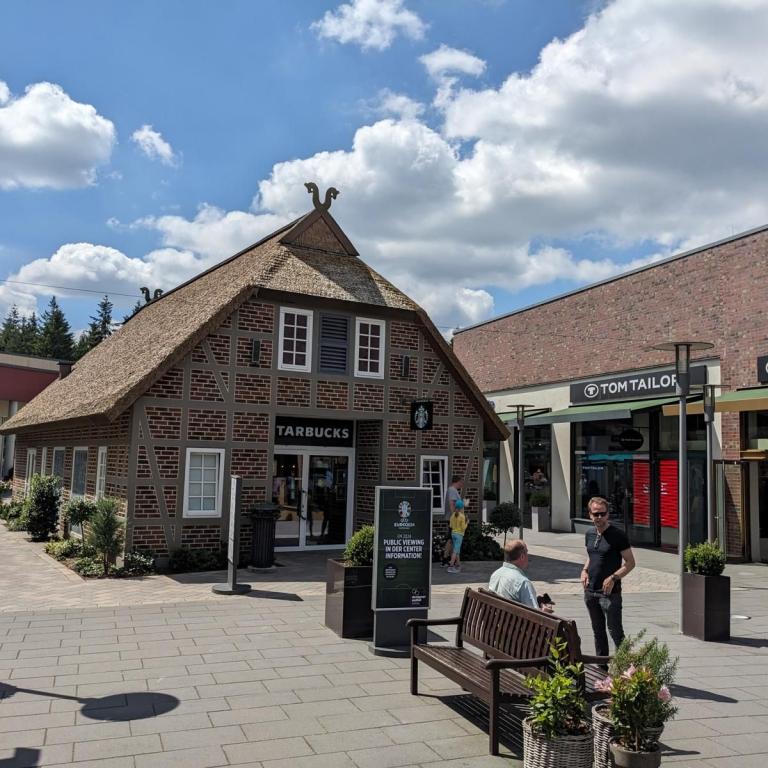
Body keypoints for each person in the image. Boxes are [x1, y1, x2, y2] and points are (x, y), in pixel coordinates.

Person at [581, 496, 635, 658]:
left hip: (610, 594)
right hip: (590, 591)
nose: (599, 517)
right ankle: (601, 666)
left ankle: (627, 667)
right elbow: (592, 556)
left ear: (607, 514)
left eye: (602, 514)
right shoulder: (589, 534)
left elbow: (630, 563)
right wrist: (584, 570)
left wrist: (613, 578)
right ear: (590, 514)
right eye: (595, 514)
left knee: (616, 632)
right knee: (598, 632)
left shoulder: (618, 535)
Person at [487, 539, 554, 612]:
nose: (528, 556)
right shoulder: (523, 582)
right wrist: (544, 611)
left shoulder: (495, 574)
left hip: (496, 617)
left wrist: (535, 598)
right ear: (522, 557)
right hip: (515, 619)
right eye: (527, 553)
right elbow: (534, 614)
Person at [442, 476, 463, 566]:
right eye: (461, 482)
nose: (462, 484)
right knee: (451, 539)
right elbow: (451, 504)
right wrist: (455, 517)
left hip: (453, 519)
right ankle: (445, 559)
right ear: (457, 481)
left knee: (451, 539)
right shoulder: (452, 490)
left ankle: (450, 559)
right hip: (453, 520)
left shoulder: (453, 490)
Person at [447, 499, 467, 573]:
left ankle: (458, 565)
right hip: (459, 535)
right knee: (455, 551)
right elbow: (463, 528)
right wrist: (467, 523)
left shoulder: (452, 515)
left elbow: (451, 526)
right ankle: (451, 566)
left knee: (457, 550)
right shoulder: (462, 516)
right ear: (461, 508)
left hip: (453, 534)